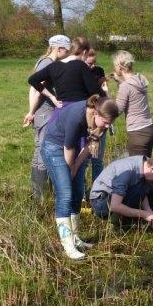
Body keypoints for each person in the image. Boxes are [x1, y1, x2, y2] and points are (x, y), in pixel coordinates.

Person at [40, 95, 119, 260]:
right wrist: (72, 168)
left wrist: (77, 166)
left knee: (78, 191)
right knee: (65, 194)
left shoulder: (101, 123)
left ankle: (76, 238)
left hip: (74, 148)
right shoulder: (77, 117)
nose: (108, 125)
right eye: (106, 122)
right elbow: (67, 148)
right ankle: (68, 245)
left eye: (110, 122)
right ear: (96, 113)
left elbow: (90, 146)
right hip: (54, 147)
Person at [23, 34, 70, 202]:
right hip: (45, 113)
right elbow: (35, 89)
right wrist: (48, 99)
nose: (68, 53)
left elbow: (34, 88)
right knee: (43, 152)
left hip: (41, 112)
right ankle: (41, 196)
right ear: (59, 48)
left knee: (40, 151)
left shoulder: (43, 61)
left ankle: (41, 194)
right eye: (67, 50)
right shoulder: (47, 63)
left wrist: (31, 111)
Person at [89, 156, 153, 229]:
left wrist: (149, 212)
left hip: (122, 195)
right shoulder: (127, 170)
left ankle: (131, 217)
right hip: (101, 201)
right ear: (152, 169)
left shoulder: (146, 164)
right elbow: (114, 206)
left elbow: (143, 192)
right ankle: (118, 221)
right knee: (137, 192)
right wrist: (144, 214)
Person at [113, 50, 153, 157]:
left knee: (138, 169)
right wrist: (120, 81)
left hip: (138, 132)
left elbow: (117, 110)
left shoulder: (125, 86)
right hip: (150, 128)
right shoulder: (140, 79)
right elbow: (132, 92)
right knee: (146, 166)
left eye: (114, 65)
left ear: (120, 67)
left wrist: (105, 97)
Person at [85, 48, 108, 183]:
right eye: (90, 64)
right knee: (84, 159)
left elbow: (104, 94)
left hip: (99, 116)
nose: (93, 66)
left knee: (97, 158)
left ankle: (96, 188)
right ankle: (82, 193)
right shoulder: (79, 73)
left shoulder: (99, 71)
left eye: (94, 63)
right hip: (87, 117)